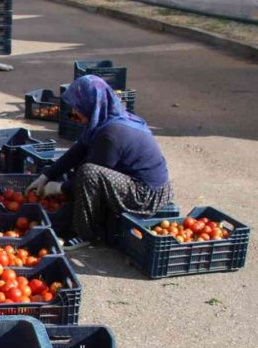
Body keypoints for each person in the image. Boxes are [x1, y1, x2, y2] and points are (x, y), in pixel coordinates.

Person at [26, 75, 173, 249]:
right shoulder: (105, 119)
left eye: (77, 108)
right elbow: (78, 150)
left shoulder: (111, 134)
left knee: (87, 172)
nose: (73, 112)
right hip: (132, 180)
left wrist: (60, 188)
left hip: (146, 195)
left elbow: (92, 178)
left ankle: (86, 234)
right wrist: (47, 175)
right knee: (83, 165)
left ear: (90, 104)